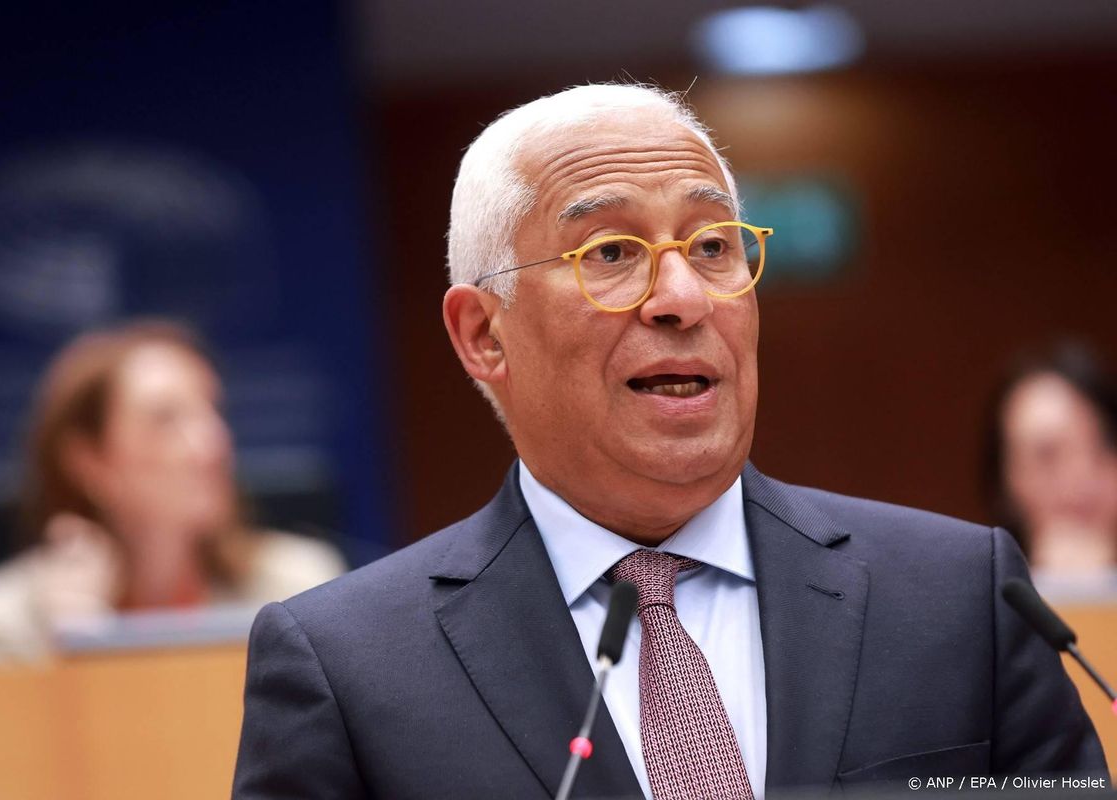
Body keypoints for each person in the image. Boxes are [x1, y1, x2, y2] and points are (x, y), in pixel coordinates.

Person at [233, 85, 1106, 798]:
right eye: (611, 253)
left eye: (713, 244)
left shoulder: (961, 600)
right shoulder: (348, 671)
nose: (683, 297)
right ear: (484, 336)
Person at [0, 320, 346, 669]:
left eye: (212, 411)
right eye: (166, 419)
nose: (213, 443)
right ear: (90, 460)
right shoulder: (0, 625)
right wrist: (77, 647)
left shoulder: (300, 588)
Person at [983, 341, 1117, 591]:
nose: (1081, 475)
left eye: (1105, 445)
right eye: (1048, 454)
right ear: (1004, 485)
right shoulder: (973, 603)